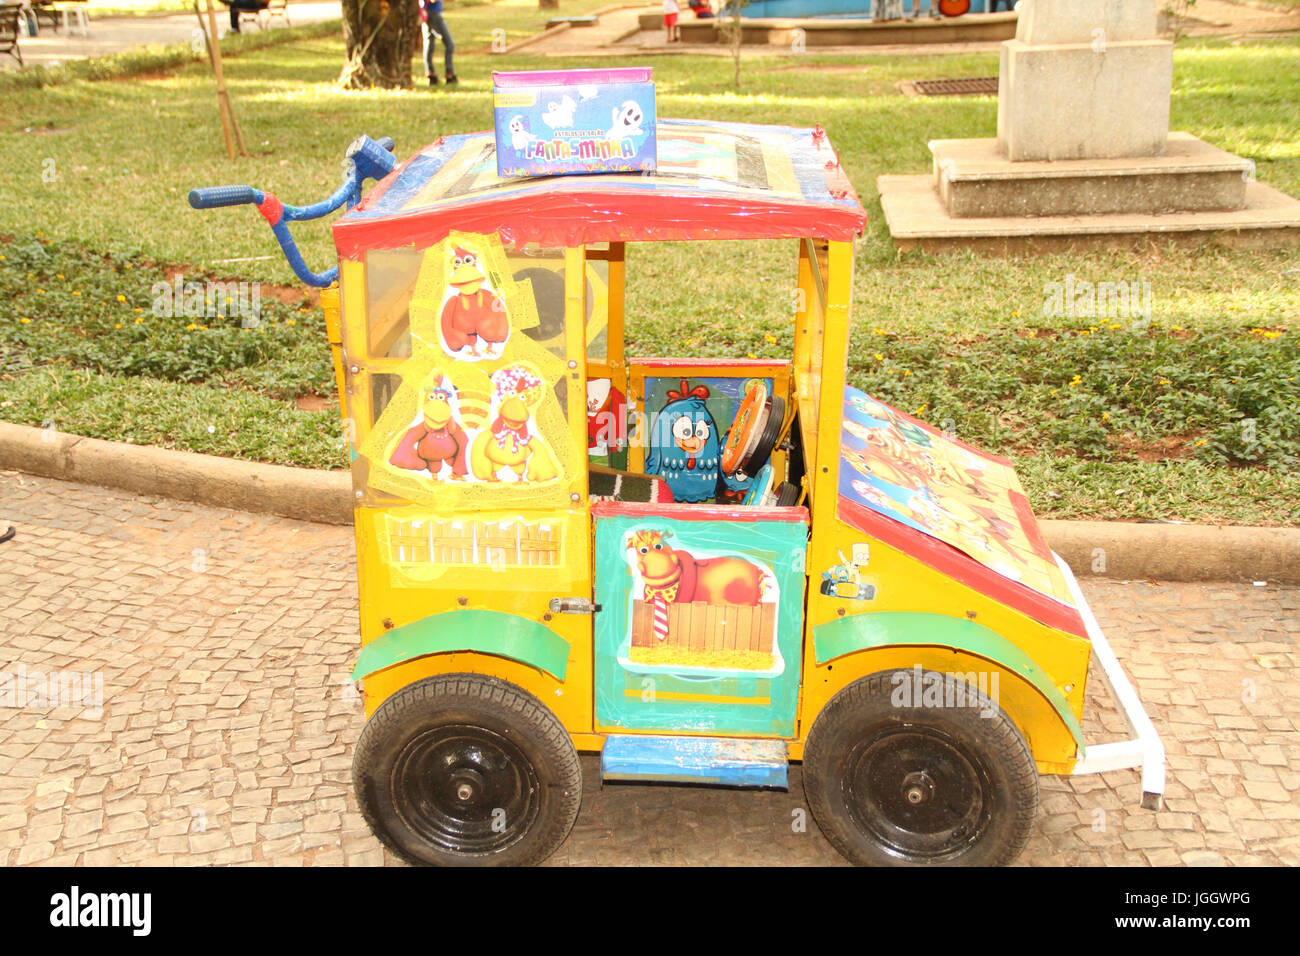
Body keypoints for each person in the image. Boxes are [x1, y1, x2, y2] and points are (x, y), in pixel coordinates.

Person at [419, 0, 458, 87]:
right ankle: (449, 74)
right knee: (450, 44)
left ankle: (430, 73)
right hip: (433, 14)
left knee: (429, 44)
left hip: (426, 13)